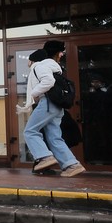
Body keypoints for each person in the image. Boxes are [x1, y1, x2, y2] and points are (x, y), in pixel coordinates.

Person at [23, 40, 85, 177]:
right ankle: (71, 164)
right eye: (61, 52)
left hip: (47, 103)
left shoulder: (39, 66)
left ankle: (44, 157)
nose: (62, 55)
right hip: (57, 106)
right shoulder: (55, 67)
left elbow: (48, 82)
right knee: (54, 137)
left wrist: (34, 94)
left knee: (30, 131)